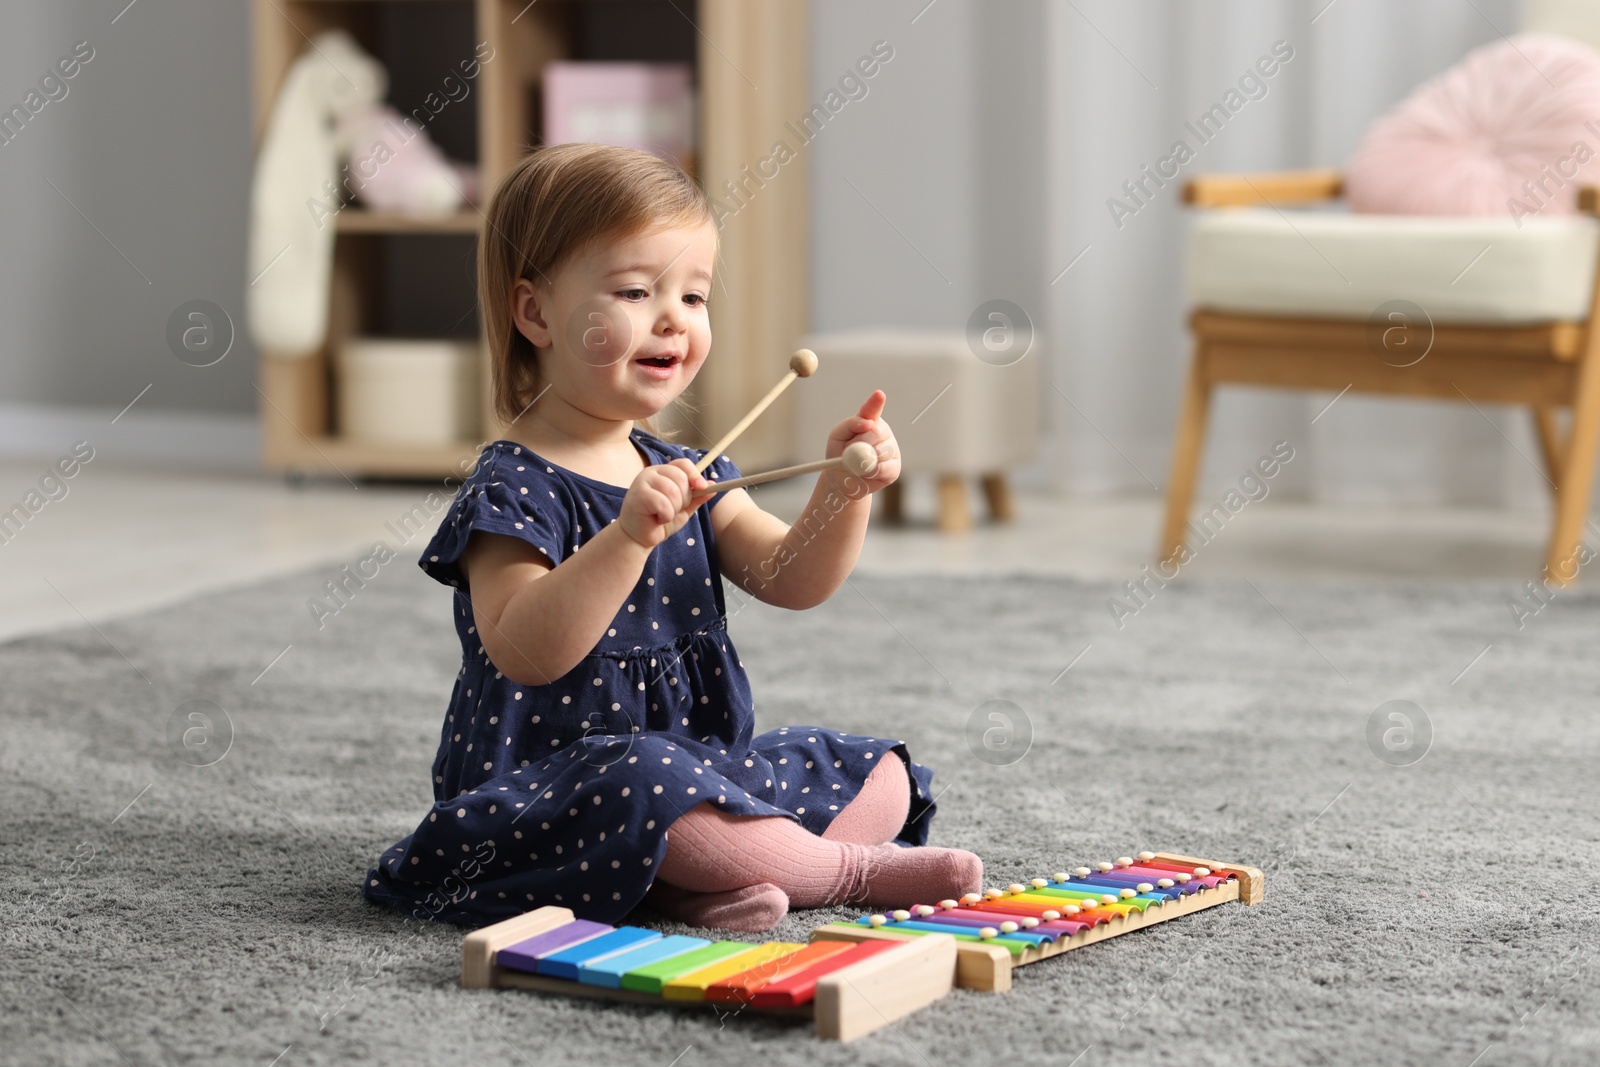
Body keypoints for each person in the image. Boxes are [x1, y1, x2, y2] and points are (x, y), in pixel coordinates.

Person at [362, 143, 981, 932]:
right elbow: (525, 647)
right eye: (634, 289)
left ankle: (703, 878)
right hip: (552, 791)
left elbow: (792, 577)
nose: (673, 319)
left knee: (875, 771)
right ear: (535, 313)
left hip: (700, 768)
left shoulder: (687, 468)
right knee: (648, 780)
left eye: (694, 296)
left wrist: (842, 491)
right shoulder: (511, 487)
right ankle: (842, 872)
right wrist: (625, 539)